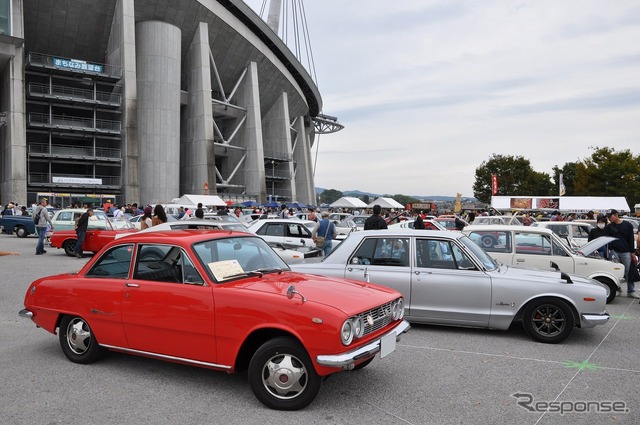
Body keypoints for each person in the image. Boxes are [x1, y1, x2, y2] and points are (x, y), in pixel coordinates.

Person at [605, 209, 638, 298]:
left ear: (616, 215)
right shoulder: (609, 227)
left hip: (626, 252)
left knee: (628, 272)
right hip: (614, 251)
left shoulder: (627, 225)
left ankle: (631, 290)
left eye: (610, 216)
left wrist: (632, 252)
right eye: (608, 217)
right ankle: (617, 289)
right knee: (615, 272)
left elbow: (631, 238)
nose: (609, 218)